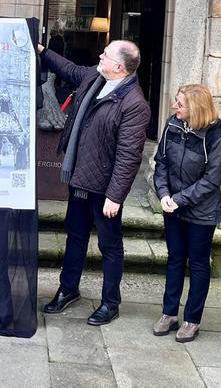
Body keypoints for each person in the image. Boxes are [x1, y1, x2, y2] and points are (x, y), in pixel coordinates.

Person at [37, 40, 150, 326]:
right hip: (79, 178)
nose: (100, 55)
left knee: (109, 246)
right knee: (75, 235)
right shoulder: (95, 77)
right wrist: (42, 51)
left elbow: (128, 157)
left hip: (104, 187)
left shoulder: (134, 104)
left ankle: (110, 303)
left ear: (119, 67)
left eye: (107, 54)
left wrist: (115, 196)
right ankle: (68, 289)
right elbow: (69, 69)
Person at [151, 84, 221, 343]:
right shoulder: (173, 126)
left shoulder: (217, 139)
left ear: (196, 108)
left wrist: (179, 199)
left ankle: (192, 319)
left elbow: (211, 181)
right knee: (174, 259)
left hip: (200, 213)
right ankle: (169, 313)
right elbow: (161, 163)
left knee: (197, 264)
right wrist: (163, 194)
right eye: (176, 101)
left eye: (180, 103)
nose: (175, 107)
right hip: (172, 206)